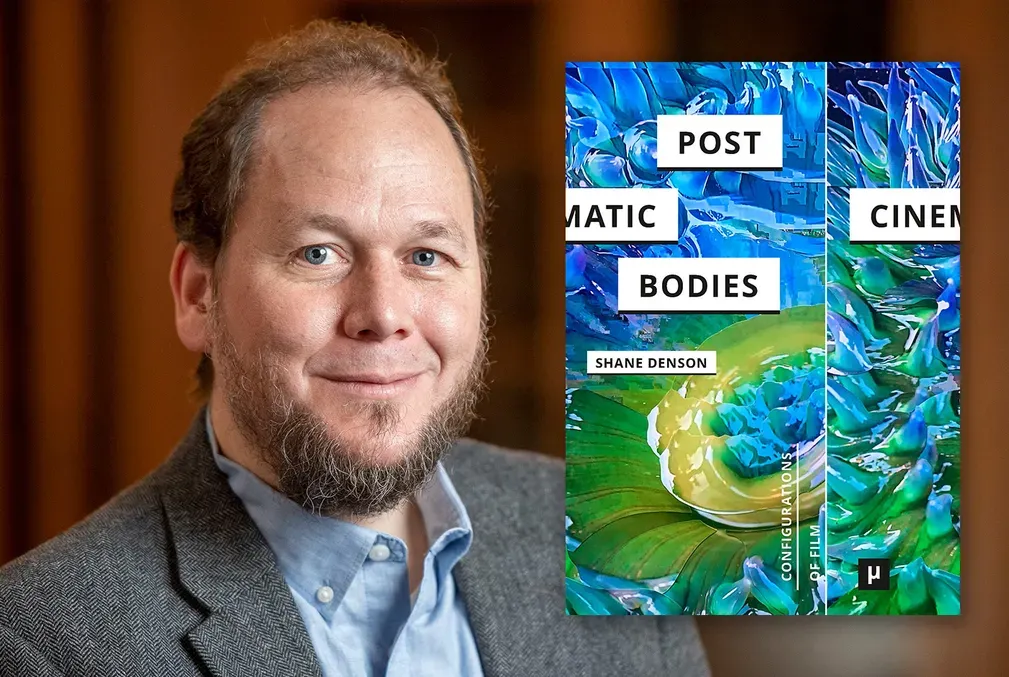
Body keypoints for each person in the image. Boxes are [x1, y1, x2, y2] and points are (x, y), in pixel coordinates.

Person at [0, 20, 710, 677]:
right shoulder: (43, 641)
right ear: (197, 296)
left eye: (426, 255)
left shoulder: (615, 547)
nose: (383, 313)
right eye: (318, 253)